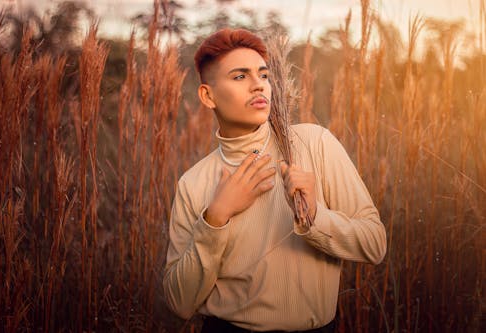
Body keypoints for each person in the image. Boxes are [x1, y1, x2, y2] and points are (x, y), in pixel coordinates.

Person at [163, 28, 387, 333]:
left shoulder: (313, 143)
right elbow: (179, 302)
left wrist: (314, 218)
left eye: (264, 75)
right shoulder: (194, 183)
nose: (259, 86)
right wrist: (215, 218)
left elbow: (374, 244)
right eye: (240, 77)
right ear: (207, 95)